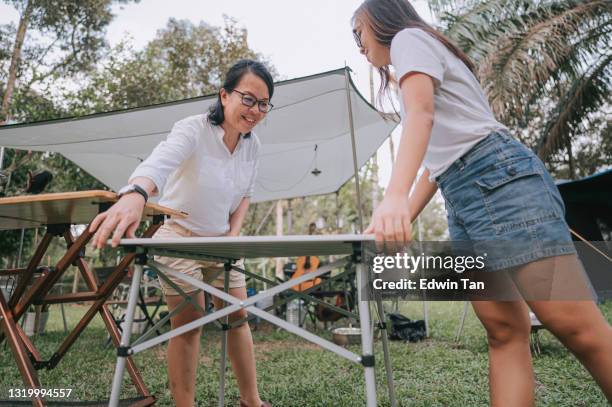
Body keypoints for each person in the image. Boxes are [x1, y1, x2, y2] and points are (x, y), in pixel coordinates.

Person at [352, 1, 612, 405]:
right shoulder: (416, 58)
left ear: (381, 18)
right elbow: (436, 168)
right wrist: (388, 222)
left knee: (572, 321)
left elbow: (421, 115)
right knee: (503, 331)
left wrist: (393, 197)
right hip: (463, 196)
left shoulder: (408, 39)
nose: (359, 45)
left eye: (358, 33)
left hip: (501, 181)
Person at [90, 59, 273, 407]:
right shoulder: (193, 129)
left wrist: (233, 235)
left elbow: (245, 195)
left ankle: (252, 402)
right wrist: (136, 193)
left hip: (222, 242)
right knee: (189, 323)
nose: (255, 110)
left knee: (238, 318)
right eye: (248, 99)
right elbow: (160, 162)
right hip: (179, 238)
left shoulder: (253, 145)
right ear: (224, 95)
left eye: (264, 104)